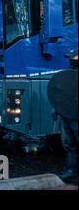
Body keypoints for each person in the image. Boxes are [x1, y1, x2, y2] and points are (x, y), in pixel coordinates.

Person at [49, 51, 78, 183]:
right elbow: (63, 95)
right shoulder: (68, 74)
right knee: (70, 144)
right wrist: (56, 109)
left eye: (74, 57)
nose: (72, 59)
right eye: (70, 57)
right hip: (67, 116)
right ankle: (71, 171)